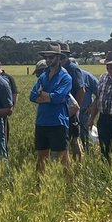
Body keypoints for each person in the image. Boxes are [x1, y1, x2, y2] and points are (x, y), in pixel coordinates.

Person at [30, 45, 74, 174]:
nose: (48, 60)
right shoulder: (43, 76)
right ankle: (40, 183)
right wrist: (49, 97)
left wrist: (43, 94)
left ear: (59, 58)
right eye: (46, 57)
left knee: (61, 159)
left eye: (51, 57)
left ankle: (68, 183)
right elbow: (32, 96)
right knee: (41, 158)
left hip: (58, 123)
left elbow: (58, 97)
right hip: (41, 122)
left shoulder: (65, 77)